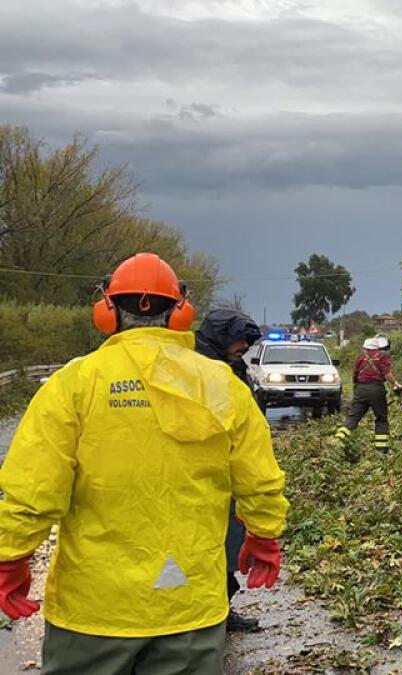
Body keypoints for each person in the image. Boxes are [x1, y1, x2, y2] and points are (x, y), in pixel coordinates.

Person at [0, 253, 289, 674]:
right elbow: (259, 481)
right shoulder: (221, 385)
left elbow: (33, 491)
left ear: (106, 310)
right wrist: (264, 536)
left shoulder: (73, 385)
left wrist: (12, 557)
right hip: (190, 607)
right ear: (181, 312)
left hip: (93, 612)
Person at [195, 308, 266, 633]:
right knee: (205, 548)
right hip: (201, 479)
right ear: (221, 337)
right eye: (240, 343)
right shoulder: (196, 371)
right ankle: (204, 616)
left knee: (228, 545)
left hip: (229, 477)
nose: (244, 349)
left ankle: (221, 610)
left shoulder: (234, 370)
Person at [335, 334, 402, 452]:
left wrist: (356, 390)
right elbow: (387, 374)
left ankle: (337, 442)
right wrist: (396, 385)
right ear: (378, 347)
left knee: (353, 417)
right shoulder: (383, 357)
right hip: (377, 390)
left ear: (365, 347)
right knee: (381, 418)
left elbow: (355, 375)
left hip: (361, 389)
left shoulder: (360, 357)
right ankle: (381, 450)